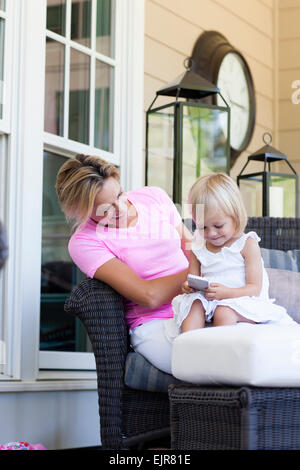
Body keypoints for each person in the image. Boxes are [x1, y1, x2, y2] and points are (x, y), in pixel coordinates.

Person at [55, 154, 193, 374]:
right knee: (206, 357)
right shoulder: (85, 242)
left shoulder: (153, 197)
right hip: (155, 324)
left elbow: (192, 248)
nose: (121, 208)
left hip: (197, 304)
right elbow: (149, 296)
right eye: (106, 209)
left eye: (120, 194)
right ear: (81, 210)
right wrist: (198, 274)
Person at [171, 173, 295, 334]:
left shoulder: (246, 244)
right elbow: (193, 281)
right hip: (211, 300)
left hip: (243, 300)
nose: (212, 233)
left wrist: (227, 293)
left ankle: (222, 354)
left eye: (218, 225)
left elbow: (254, 288)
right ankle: (188, 347)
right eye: (203, 227)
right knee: (193, 304)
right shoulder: (198, 249)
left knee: (224, 310)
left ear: (235, 217)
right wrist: (188, 287)